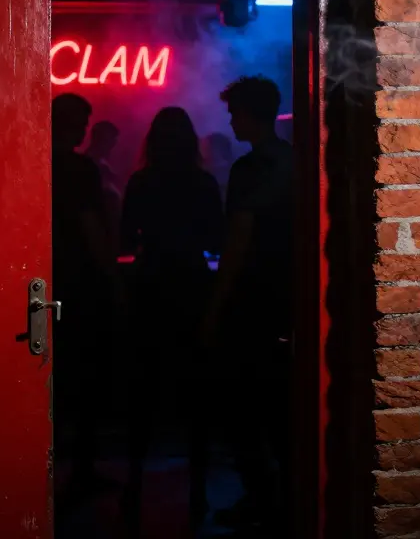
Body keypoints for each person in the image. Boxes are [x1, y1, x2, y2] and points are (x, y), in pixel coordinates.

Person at [118, 107, 224, 535]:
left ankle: (133, 485)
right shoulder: (203, 183)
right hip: (191, 284)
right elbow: (216, 239)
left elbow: (126, 239)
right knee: (196, 391)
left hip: (151, 283)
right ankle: (197, 490)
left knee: (143, 388)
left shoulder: (141, 182)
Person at [203, 76, 294, 534]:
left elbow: (238, 242)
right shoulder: (295, 160)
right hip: (288, 297)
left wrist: (215, 308)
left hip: (252, 302)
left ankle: (260, 503)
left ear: (249, 114)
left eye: (234, 113)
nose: (230, 122)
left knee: (244, 410)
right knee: (281, 409)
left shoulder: (249, 168)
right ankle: (289, 504)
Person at [51, 93, 119, 505]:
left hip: (49, 278)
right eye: (82, 122)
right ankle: (80, 471)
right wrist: (113, 277)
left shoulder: (38, 161)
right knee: (85, 380)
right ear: (74, 124)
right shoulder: (81, 170)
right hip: (81, 285)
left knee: (54, 380)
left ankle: (46, 469)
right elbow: (92, 229)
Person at [85, 120, 123, 248]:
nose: (112, 147)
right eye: (111, 142)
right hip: (99, 233)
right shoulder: (91, 165)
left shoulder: (101, 163)